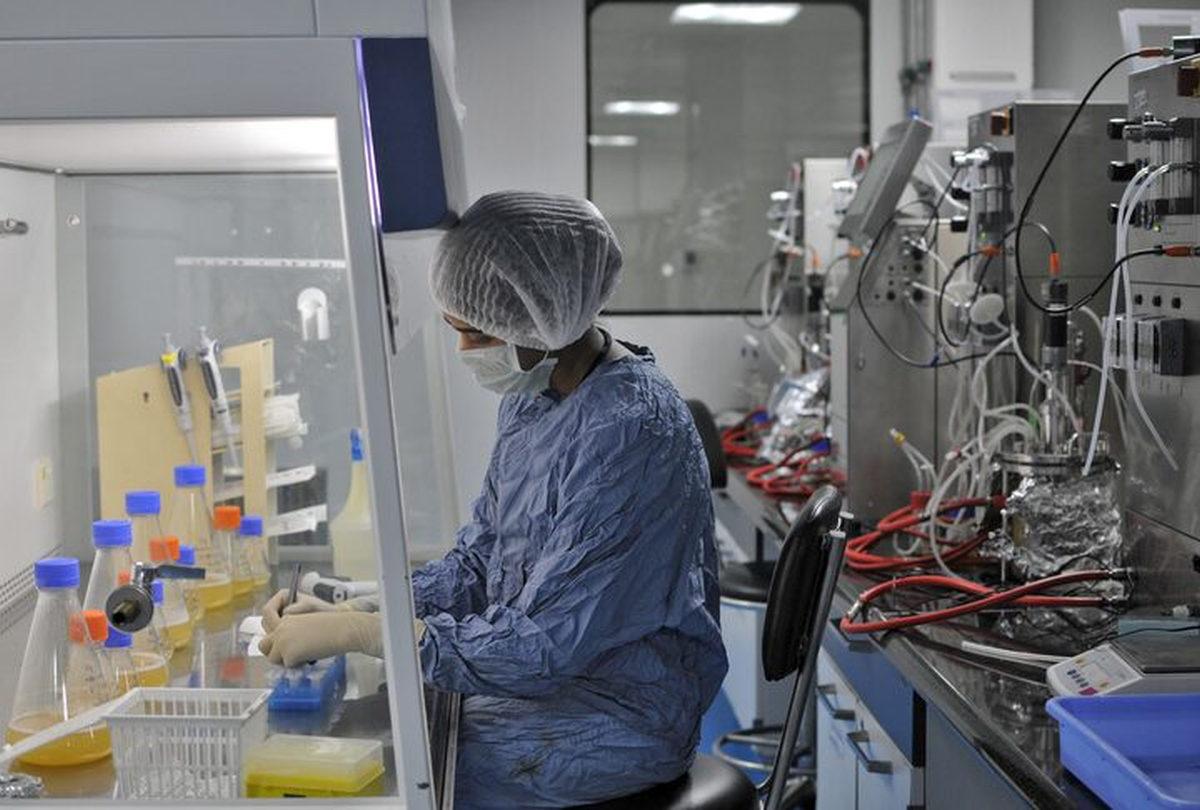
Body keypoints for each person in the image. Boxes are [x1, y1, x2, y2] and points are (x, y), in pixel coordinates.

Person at [259, 191, 728, 808]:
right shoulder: (534, 398)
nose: (464, 352)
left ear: (544, 319)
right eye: (456, 329)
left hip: (620, 717)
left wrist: (369, 633)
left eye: (476, 333)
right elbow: (480, 562)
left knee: (393, 776)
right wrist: (366, 605)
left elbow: (543, 646)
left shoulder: (629, 432)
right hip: (553, 686)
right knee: (379, 734)